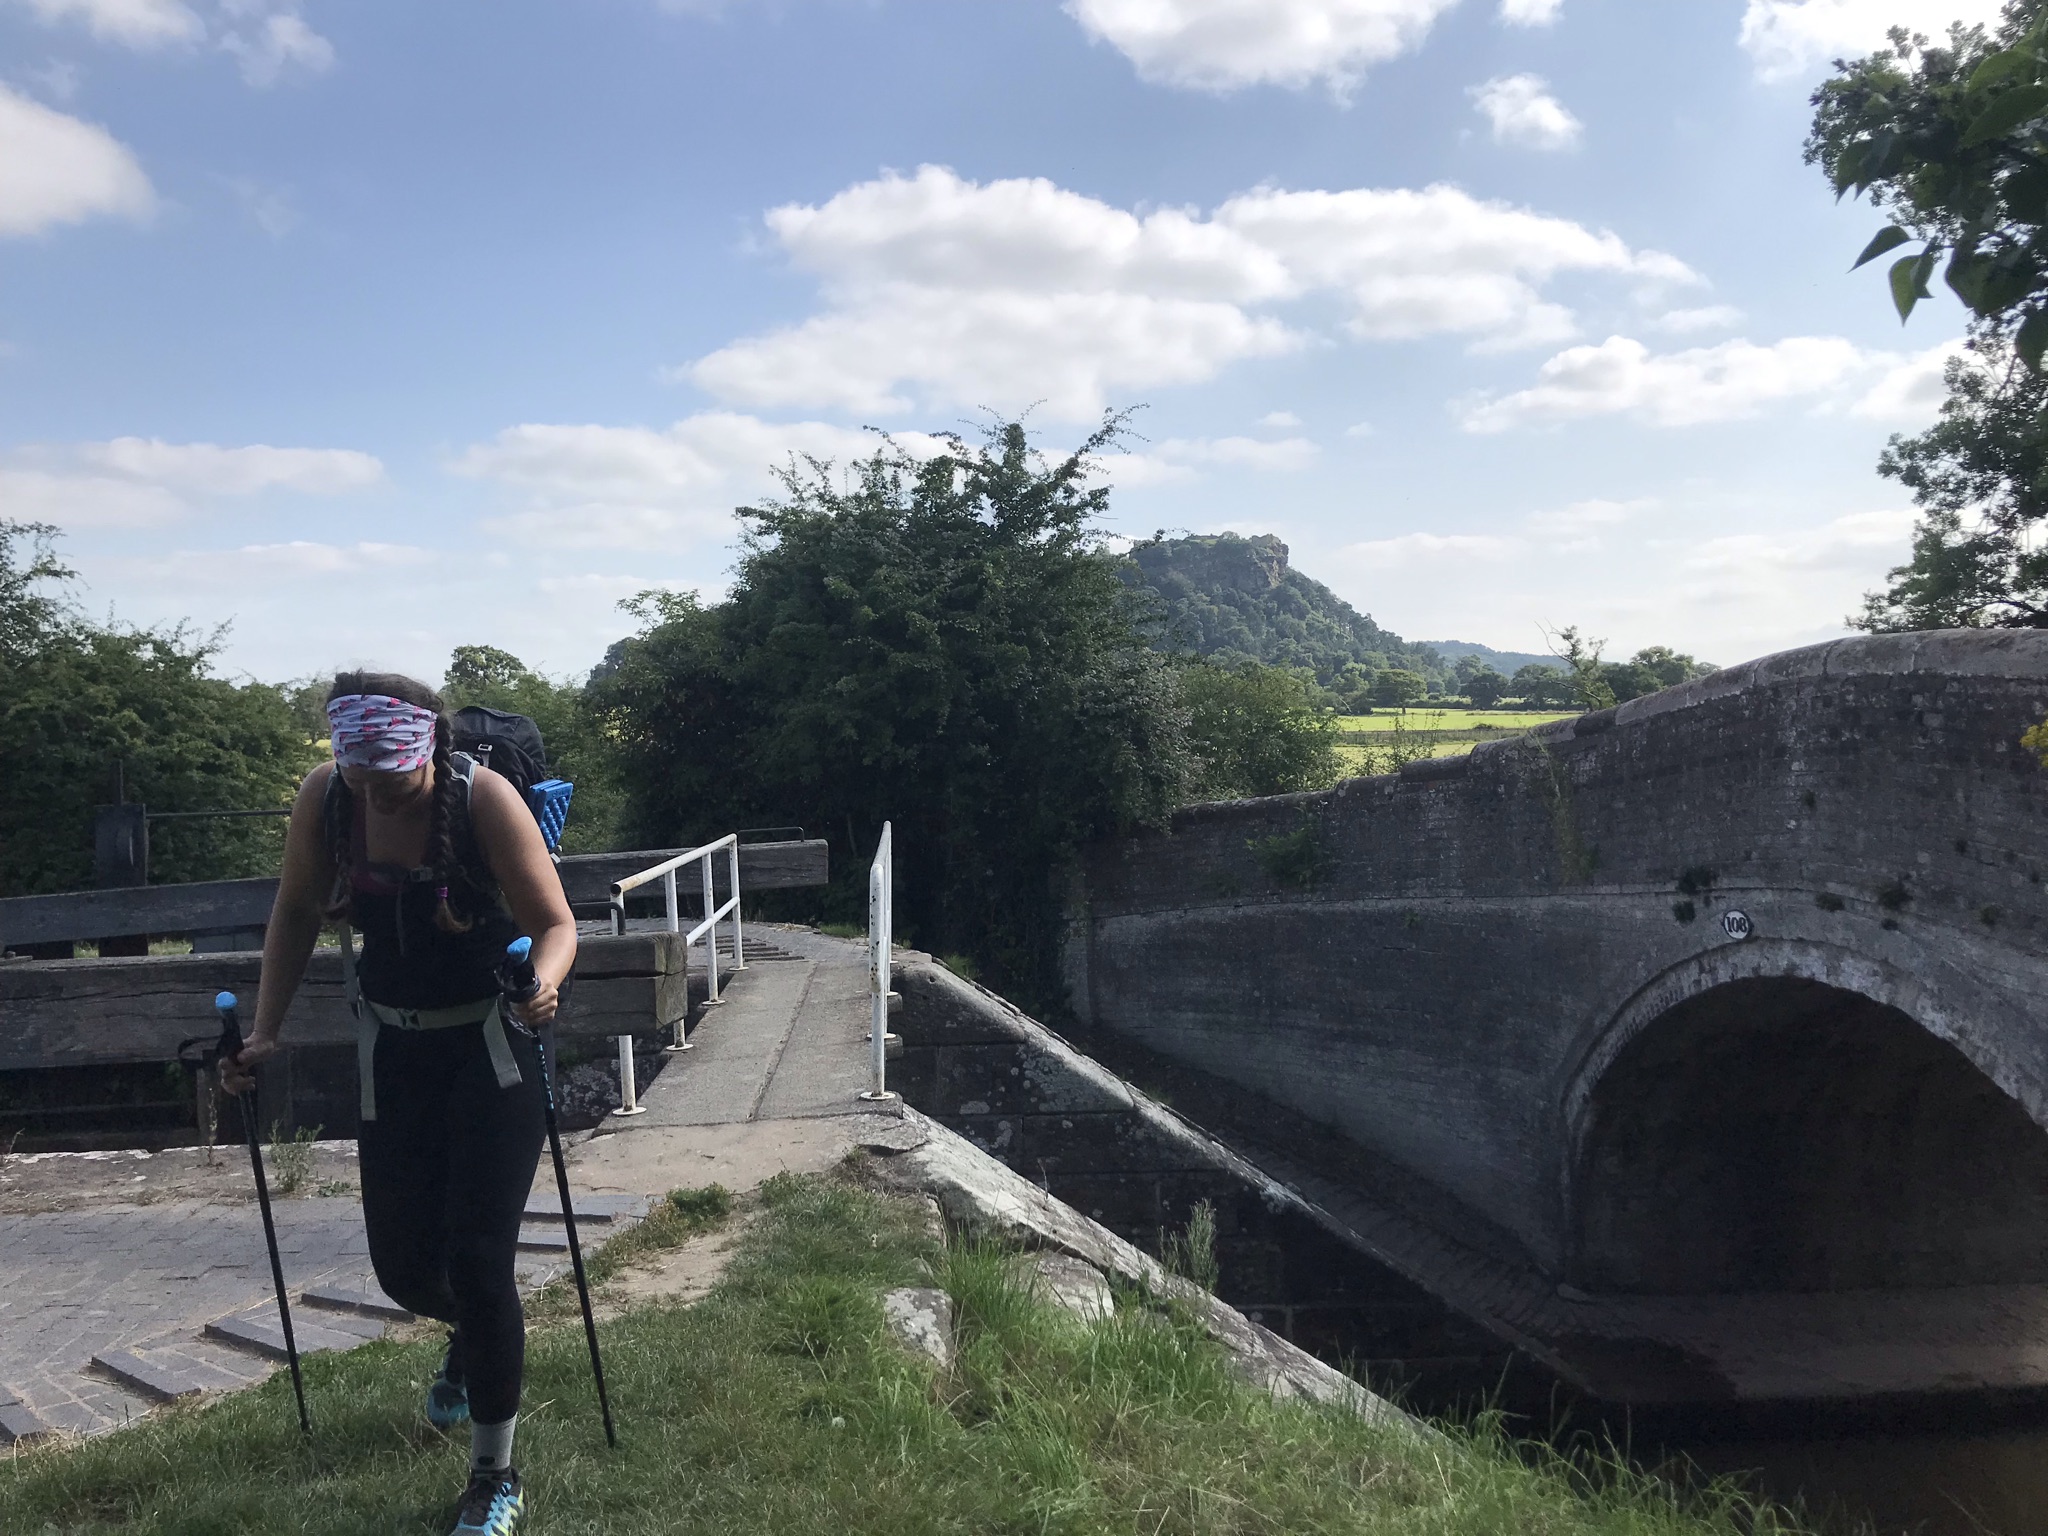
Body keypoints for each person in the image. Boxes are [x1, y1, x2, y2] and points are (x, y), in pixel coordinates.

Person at [222, 672, 577, 1536]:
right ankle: (480, 1336)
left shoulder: (484, 798)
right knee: (405, 1269)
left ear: (429, 754)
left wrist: (544, 987)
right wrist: (264, 1033)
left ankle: (495, 1476)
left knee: (482, 1258)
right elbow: (297, 909)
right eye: (362, 782)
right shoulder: (328, 795)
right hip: (394, 1049)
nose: (377, 796)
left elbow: (558, 921)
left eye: (395, 784)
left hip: (492, 1047)